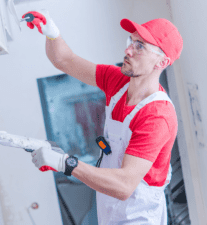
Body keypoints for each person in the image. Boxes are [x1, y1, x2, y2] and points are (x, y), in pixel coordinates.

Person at [23, 9, 183, 224]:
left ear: (162, 62)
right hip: (109, 207)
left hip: (138, 215)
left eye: (140, 46)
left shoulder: (156, 116)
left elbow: (125, 185)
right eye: (131, 41)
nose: (128, 50)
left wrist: (66, 163)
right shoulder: (117, 81)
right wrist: (52, 33)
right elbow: (65, 60)